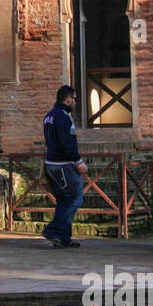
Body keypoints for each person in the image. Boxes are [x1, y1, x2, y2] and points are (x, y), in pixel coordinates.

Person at [42, 85, 87, 248]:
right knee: (75, 197)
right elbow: (66, 143)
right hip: (62, 165)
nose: (75, 102)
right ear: (68, 99)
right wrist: (78, 160)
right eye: (74, 99)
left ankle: (63, 239)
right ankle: (53, 230)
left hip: (51, 164)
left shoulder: (49, 116)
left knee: (63, 200)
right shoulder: (62, 116)